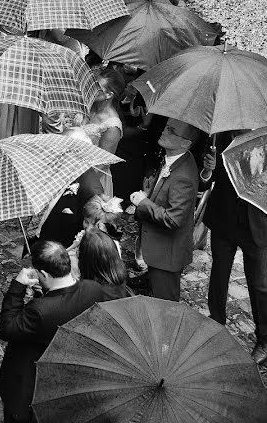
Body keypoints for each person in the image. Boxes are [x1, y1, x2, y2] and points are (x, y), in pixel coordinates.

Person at [0, 240, 125, 423]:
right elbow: (62, 303)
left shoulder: (40, 311)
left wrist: (17, 287)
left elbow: (7, 329)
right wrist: (46, 294)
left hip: (29, 386)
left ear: (44, 274)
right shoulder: (93, 289)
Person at [202, 131, 267, 365]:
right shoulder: (220, 135)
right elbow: (205, 178)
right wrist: (209, 169)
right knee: (219, 276)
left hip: (255, 223)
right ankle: (216, 327)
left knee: (259, 284)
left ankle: (264, 339)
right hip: (224, 218)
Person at [129, 118, 200, 301]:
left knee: (166, 306)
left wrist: (143, 203)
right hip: (159, 249)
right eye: (167, 127)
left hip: (167, 255)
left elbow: (174, 219)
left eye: (171, 131)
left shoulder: (183, 177)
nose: (164, 132)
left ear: (185, 143)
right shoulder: (175, 158)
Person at [80, 66, 126, 195]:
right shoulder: (88, 105)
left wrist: (78, 184)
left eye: (96, 88)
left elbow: (102, 164)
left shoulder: (112, 125)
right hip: (72, 168)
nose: (91, 89)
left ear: (109, 95)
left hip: (91, 180)